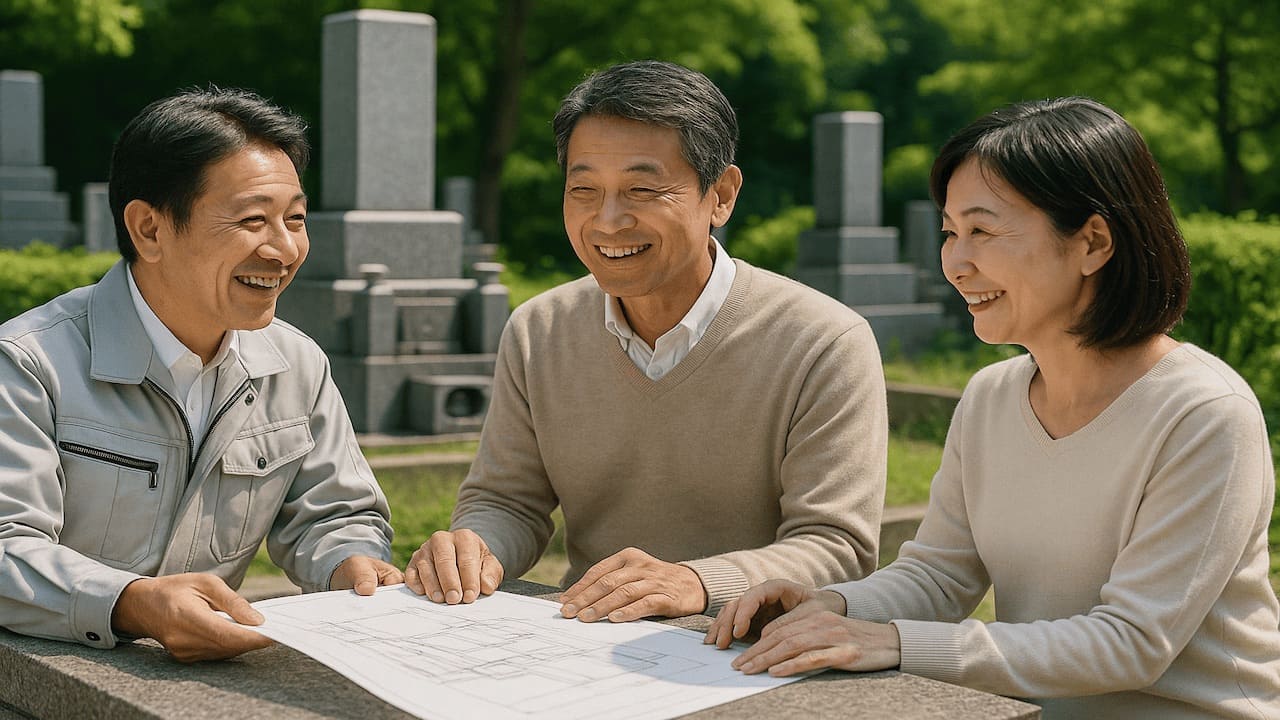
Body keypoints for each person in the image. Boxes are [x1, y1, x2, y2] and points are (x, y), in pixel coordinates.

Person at [706, 96, 1280, 718]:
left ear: (1092, 242)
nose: (956, 260)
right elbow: (942, 574)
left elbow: (1134, 644)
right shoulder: (991, 397)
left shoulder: (1204, 414)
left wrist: (893, 643)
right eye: (950, 232)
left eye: (982, 230)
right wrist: (834, 606)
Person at [404, 60, 887, 622]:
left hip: (752, 649)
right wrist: (474, 548)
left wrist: (695, 583)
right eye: (583, 190)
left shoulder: (824, 342)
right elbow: (507, 500)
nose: (607, 222)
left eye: (642, 189)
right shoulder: (540, 329)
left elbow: (838, 548)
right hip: (587, 638)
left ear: (722, 195)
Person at [0, 88, 401, 663]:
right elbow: (5, 545)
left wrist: (350, 564)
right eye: (253, 220)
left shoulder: (298, 364)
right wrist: (133, 603)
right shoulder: (28, 363)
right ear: (150, 229)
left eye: (295, 219)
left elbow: (335, 513)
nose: (285, 249)